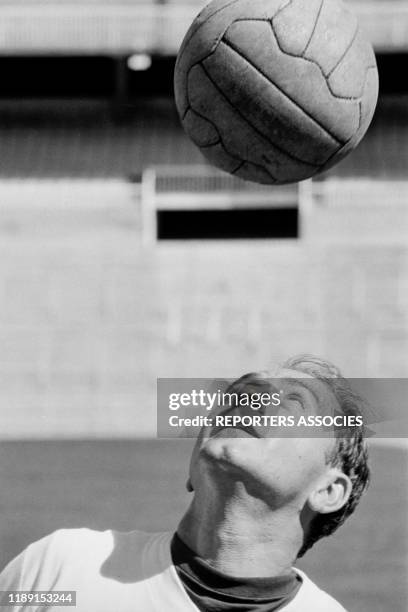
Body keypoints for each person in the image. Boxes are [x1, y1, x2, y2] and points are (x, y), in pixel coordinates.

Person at [0, 355, 369, 611]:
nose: (249, 402)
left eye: (292, 403)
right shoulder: (61, 568)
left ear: (328, 491)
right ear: (192, 470)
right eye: (240, 395)